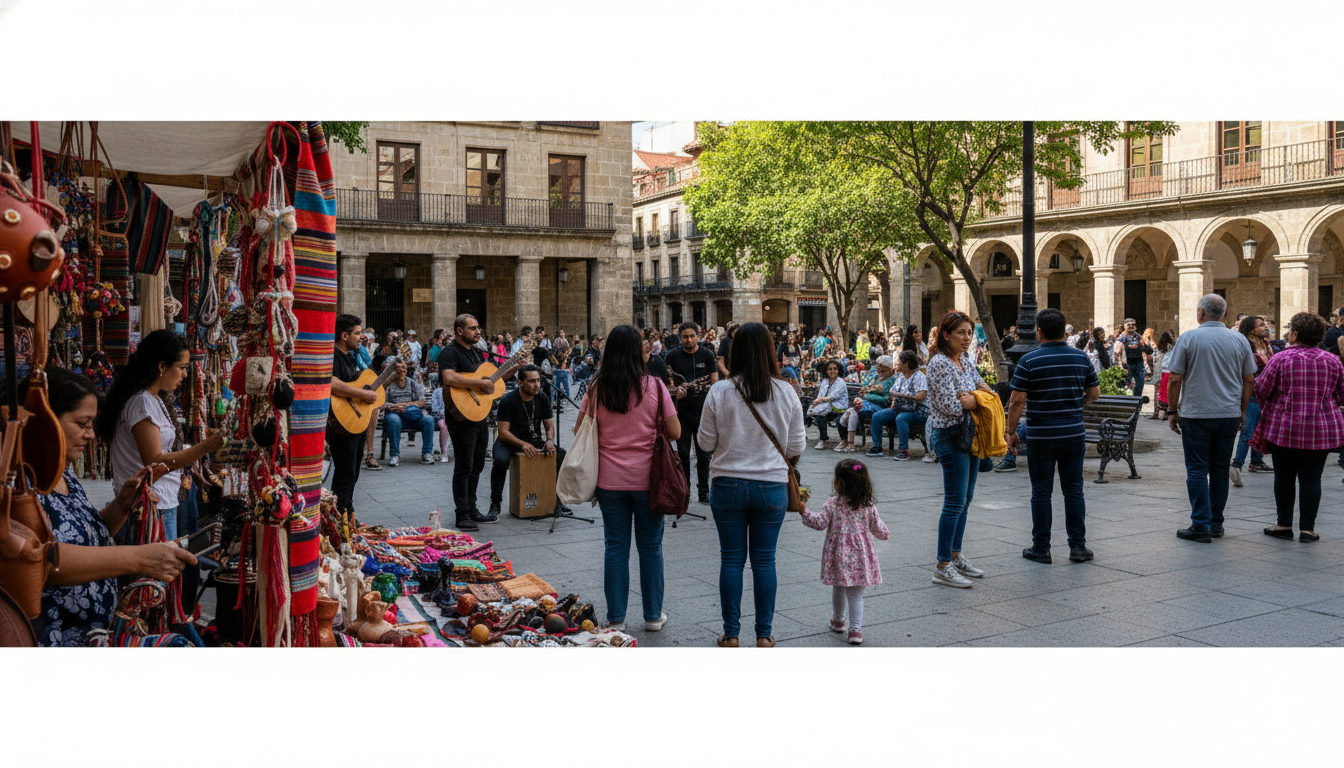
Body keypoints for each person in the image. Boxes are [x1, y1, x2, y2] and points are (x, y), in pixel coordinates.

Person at [30, 368, 199, 646]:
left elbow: (85, 536)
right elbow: (42, 562)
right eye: (83, 424)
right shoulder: (17, 484)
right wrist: (138, 558)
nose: (91, 435)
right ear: (46, 420)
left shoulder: (64, 472)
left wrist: (121, 505)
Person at [698, 322, 805, 647]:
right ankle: (764, 634)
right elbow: (796, 447)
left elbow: (704, 444)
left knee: (731, 558)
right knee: (764, 559)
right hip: (770, 486)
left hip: (727, 484)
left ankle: (731, 634)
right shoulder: (787, 391)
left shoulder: (720, 391)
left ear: (736, 352)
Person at [576, 325, 679, 632]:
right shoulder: (655, 386)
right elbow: (675, 432)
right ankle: (652, 616)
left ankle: (617, 617)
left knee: (615, 547)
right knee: (651, 547)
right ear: (637, 351)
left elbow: (580, 429)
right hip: (649, 479)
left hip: (609, 481)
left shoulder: (597, 387)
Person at [98, 329, 224, 542]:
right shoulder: (142, 402)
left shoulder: (152, 400)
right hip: (149, 507)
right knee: (156, 572)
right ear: (162, 366)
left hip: (158, 502)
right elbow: (155, 461)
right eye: (182, 368)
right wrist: (206, 446)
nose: (185, 375)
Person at [1004, 308, 1101, 564]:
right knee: (1074, 490)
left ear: (1039, 332)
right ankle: (1078, 547)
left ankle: (1041, 548)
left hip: (1041, 434)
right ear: (1063, 330)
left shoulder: (1029, 360)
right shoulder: (1081, 358)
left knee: (1041, 491)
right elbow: (1093, 394)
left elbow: (1016, 401)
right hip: (1073, 433)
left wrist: (1010, 432)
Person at [1166, 294, 1257, 543]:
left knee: (1196, 469)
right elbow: (1249, 379)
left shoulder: (1189, 338)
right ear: (1224, 315)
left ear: (1201, 313)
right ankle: (1216, 523)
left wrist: (1172, 411)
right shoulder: (1239, 340)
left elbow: (1175, 378)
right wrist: (1241, 409)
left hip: (1197, 414)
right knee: (1219, 469)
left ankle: (1200, 524)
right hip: (1227, 413)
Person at [1251, 312, 1344, 542]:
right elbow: (1341, 395)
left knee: (1284, 477)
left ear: (1294, 334)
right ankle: (1307, 529)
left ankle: (1283, 525)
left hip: (1284, 428)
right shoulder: (1332, 361)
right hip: (1321, 429)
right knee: (1312, 478)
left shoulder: (1280, 359)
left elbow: (1261, 389)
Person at [926, 310, 995, 588]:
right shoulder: (939, 364)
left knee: (965, 499)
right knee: (954, 501)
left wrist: (977, 398)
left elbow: (982, 388)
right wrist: (971, 401)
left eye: (969, 333)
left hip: (971, 435)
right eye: (961, 333)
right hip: (950, 436)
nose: (967, 338)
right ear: (946, 335)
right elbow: (950, 406)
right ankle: (942, 565)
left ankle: (955, 555)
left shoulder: (964, 360)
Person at [798, 460, 890, 646]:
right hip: (860, 557)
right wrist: (885, 534)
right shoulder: (868, 505)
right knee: (856, 594)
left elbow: (818, 523)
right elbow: (879, 529)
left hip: (839, 556)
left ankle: (838, 620)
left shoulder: (833, 503)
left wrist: (803, 510)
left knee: (838, 586)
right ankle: (855, 630)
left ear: (839, 483)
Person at [439, 314, 497, 531]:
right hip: (460, 417)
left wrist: (511, 368)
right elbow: (449, 378)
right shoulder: (450, 352)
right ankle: (461, 513)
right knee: (464, 466)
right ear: (459, 331)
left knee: (478, 463)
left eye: (478, 327)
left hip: (479, 414)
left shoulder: (476, 353)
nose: (478, 331)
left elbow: (488, 382)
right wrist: (480, 383)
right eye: (473, 328)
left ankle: (471, 508)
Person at [486, 365, 566, 520]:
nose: (537, 385)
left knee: (560, 455)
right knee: (501, 460)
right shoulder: (508, 401)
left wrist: (549, 441)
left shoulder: (542, 398)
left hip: (533, 438)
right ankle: (495, 503)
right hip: (509, 440)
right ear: (520, 382)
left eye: (538, 381)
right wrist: (522, 444)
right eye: (531, 381)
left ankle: (556, 501)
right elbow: (503, 432)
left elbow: (549, 425)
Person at [322, 315, 380, 513]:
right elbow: (331, 382)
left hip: (354, 422)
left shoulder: (350, 356)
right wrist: (362, 393)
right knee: (345, 475)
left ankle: (347, 512)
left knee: (352, 474)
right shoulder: (333, 355)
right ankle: (338, 518)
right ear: (344, 335)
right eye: (357, 333)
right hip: (341, 424)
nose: (361, 336)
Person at [665, 321, 719, 504]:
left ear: (698, 336)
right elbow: (668, 383)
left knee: (704, 456)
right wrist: (677, 390)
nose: (688, 340)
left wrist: (697, 387)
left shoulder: (707, 354)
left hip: (703, 412)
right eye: (684, 337)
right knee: (682, 455)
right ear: (680, 338)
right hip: (680, 413)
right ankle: (684, 491)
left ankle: (704, 492)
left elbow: (714, 382)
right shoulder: (671, 356)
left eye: (691, 336)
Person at [1230, 315, 1274, 486]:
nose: (1266, 327)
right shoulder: (1245, 345)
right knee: (1248, 431)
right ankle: (1236, 465)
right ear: (1251, 329)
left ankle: (1256, 461)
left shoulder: (1266, 344)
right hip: (1251, 392)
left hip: (1266, 392)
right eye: (1261, 325)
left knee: (1262, 428)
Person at [868, 350, 928, 461]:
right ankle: (877, 447)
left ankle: (903, 450)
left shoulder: (920, 377)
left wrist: (904, 395)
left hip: (918, 411)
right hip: (900, 408)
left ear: (906, 364)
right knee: (877, 416)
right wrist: (895, 399)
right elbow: (892, 392)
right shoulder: (900, 376)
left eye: (899, 362)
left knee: (901, 418)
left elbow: (921, 396)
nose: (897, 364)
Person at [836, 355, 894, 454]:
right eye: (878, 366)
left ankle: (848, 442)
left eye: (882, 366)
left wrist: (866, 396)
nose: (879, 369)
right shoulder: (876, 378)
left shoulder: (891, 381)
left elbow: (886, 399)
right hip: (866, 405)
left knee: (853, 410)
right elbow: (864, 388)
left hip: (882, 408)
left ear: (888, 368)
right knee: (853, 411)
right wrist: (863, 395)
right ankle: (850, 444)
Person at [382, 359, 435, 467]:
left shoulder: (412, 383)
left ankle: (427, 453)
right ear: (393, 370)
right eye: (399, 368)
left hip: (412, 415)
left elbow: (422, 401)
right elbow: (381, 403)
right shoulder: (388, 385)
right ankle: (394, 455)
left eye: (404, 368)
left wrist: (406, 405)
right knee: (393, 420)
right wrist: (393, 406)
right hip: (395, 415)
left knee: (428, 420)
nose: (402, 370)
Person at [809, 360, 849, 448]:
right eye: (830, 369)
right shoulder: (825, 381)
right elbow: (820, 395)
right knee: (820, 415)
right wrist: (815, 404)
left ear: (839, 370)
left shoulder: (841, 382)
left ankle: (844, 441)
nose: (832, 371)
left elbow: (832, 396)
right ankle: (822, 439)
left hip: (839, 409)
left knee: (840, 418)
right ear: (826, 371)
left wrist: (819, 400)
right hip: (827, 408)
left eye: (835, 369)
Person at [1115, 318, 1152, 397]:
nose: (1131, 326)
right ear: (1124, 326)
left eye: (1133, 325)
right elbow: (1116, 355)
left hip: (1139, 364)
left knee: (1140, 385)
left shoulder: (1139, 337)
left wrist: (1144, 345)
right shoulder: (1120, 338)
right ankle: (1126, 404)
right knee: (1125, 387)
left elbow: (1149, 351)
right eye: (1129, 325)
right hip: (1126, 366)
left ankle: (1136, 402)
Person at [1150, 331, 1176, 420]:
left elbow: (1154, 359)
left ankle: (1156, 413)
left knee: (1157, 393)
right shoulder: (1174, 348)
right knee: (1168, 393)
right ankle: (1166, 413)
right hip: (1169, 371)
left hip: (1158, 372)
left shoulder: (1158, 348)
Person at [428, 383, 452, 463]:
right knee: (444, 425)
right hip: (441, 416)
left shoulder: (455, 390)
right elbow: (435, 408)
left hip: (454, 416)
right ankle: (444, 453)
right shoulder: (437, 391)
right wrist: (444, 414)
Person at [552, 329, 572, 399]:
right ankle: (557, 394)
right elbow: (555, 349)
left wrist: (566, 354)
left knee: (565, 381)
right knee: (558, 380)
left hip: (564, 358)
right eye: (560, 332)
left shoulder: (565, 340)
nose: (562, 334)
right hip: (559, 357)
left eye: (562, 332)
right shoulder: (557, 340)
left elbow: (568, 348)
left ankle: (566, 395)